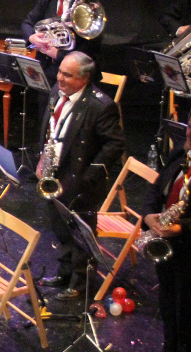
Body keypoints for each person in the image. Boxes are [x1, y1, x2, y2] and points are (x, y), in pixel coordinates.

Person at [36, 52, 125, 301]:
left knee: (80, 236)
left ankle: (81, 284)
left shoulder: (101, 105)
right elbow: (49, 130)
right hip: (55, 171)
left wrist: (88, 176)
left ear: (84, 78)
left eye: (67, 74)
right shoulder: (57, 91)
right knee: (59, 228)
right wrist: (42, 159)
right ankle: (64, 274)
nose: (59, 78)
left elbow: (114, 145)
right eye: (60, 71)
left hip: (80, 180)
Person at [143, 104, 191, 352]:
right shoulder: (182, 154)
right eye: (189, 130)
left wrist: (181, 228)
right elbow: (157, 187)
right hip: (168, 250)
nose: (190, 137)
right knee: (168, 310)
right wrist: (149, 216)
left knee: (190, 321)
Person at [21, 0, 102, 87]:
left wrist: (59, 54)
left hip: (75, 76)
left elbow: (91, 45)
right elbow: (27, 23)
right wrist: (32, 38)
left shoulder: (86, 3)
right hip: (46, 71)